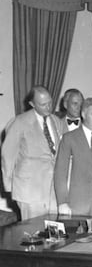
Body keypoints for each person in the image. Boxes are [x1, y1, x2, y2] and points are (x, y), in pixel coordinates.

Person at [1, 86, 63, 220]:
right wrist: (9, 185)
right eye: (43, 104)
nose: (48, 107)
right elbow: (7, 155)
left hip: (52, 188)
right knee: (32, 234)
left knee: (53, 232)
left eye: (50, 102)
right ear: (32, 104)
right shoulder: (19, 122)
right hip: (29, 189)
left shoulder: (56, 121)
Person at [54, 98, 92, 217]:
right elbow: (60, 173)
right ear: (83, 114)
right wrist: (62, 202)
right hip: (76, 203)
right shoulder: (69, 138)